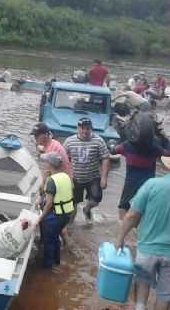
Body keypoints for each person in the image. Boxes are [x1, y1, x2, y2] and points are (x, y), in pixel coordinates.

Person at [116, 173, 170, 310]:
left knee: (141, 287)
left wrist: (120, 239)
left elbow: (132, 215)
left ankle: (140, 306)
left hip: (146, 250)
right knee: (164, 296)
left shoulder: (152, 184)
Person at [111, 134, 170, 220]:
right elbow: (167, 153)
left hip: (131, 184)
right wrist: (165, 139)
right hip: (148, 184)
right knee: (143, 209)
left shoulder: (127, 145)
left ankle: (123, 228)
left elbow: (113, 151)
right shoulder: (154, 147)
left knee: (123, 207)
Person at [64, 117, 110, 222]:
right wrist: (66, 176)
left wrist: (104, 178)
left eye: (87, 129)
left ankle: (87, 209)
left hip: (93, 177)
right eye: (82, 128)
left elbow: (105, 158)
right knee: (72, 205)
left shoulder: (98, 141)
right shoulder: (69, 141)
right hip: (75, 178)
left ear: (91, 129)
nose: (85, 131)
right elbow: (64, 160)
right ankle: (71, 227)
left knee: (96, 199)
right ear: (78, 128)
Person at [37, 152, 74, 268]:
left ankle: (48, 268)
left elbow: (48, 205)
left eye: (46, 163)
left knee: (49, 242)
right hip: (67, 214)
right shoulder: (66, 176)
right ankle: (56, 262)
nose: (44, 165)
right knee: (55, 238)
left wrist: (39, 219)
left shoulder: (51, 181)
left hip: (55, 216)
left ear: (50, 165)